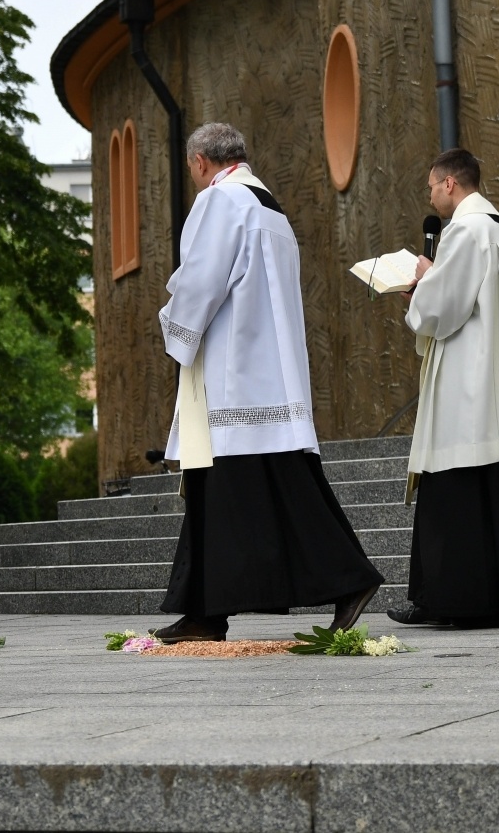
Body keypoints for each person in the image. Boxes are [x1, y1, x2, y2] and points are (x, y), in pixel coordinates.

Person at [154, 123, 383, 643]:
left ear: (198, 162)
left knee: (263, 485)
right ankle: (204, 611)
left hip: (233, 373)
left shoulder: (220, 202)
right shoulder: (269, 206)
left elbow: (202, 279)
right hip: (268, 370)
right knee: (244, 486)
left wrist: (173, 321)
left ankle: (350, 578)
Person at [387, 149, 499, 630]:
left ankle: (451, 599)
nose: (431, 195)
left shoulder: (465, 230)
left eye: (431, 186)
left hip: (471, 387)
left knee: (456, 488)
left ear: (449, 185)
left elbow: (443, 309)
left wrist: (420, 286)